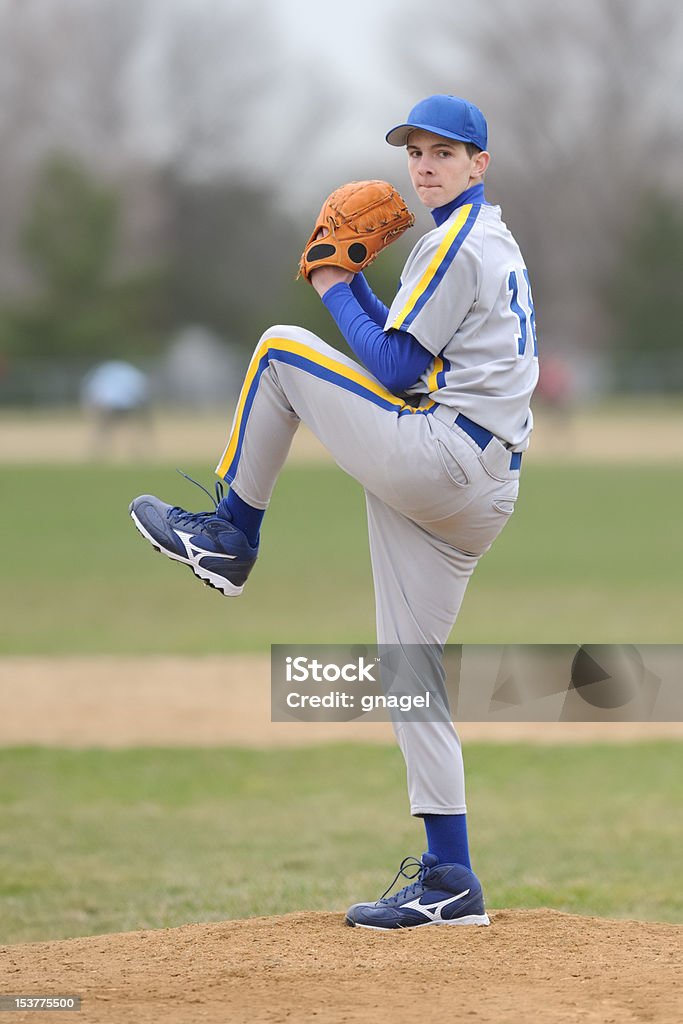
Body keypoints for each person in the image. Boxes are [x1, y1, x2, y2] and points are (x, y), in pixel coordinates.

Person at [130, 95, 539, 930]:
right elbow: (411, 352)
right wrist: (357, 290)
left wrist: (332, 277)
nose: (424, 165)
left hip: (445, 459)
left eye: (445, 152)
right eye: (414, 151)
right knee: (408, 671)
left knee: (280, 349)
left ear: (478, 165)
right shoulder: (490, 241)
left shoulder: (453, 239)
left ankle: (230, 534)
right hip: (480, 486)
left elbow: (389, 366)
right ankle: (451, 879)